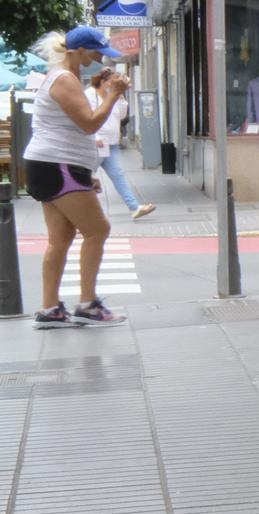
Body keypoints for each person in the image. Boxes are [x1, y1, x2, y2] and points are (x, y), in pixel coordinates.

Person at [23, 27, 131, 329]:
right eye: (96, 52)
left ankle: (50, 309)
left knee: (60, 239)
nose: (100, 58)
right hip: (58, 165)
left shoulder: (60, 75)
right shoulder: (64, 80)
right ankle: (87, 304)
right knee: (98, 230)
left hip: (52, 165)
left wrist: (85, 174)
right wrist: (113, 95)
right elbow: (88, 125)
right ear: (80, 50)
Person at [84, 68, 156, 220]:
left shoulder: (114, 96)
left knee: (118, 175)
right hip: (97, 143)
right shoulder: (90, 95)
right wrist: (94, 136)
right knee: (85, 178)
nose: (115, 84)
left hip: (111, 143)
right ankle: (81, 215)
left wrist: (120, 96)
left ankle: (134, 207)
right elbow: (87, 117)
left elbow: (122, 115)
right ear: (103, 82)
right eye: (113, 81)